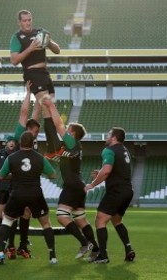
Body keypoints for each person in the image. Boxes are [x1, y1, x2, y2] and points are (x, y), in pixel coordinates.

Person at [42, 95, 99, 260]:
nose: (65, 129)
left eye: (68, 128)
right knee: (81, 219)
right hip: (78, 185)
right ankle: (95, 249)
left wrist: (51, 106)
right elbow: (56, 156)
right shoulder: (70, 148)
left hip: (72, 185)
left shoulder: (73, 143)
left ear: (72, 133)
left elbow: (58, 124)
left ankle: (84, 242)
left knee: (61, 216)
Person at [0, 131, 58, 265]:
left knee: (7, 220)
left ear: (20, 143)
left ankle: (1, 254)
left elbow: (1, 176)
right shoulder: (40, 158)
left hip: (17, 193)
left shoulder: (11, 158)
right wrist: (37, 171)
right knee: (46, 223)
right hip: (35, 193)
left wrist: (15, 175)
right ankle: (52, 256)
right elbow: (53, 176)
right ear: (33, 143)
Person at [9, 9, 64, 159]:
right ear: (19, 22)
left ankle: (51, 149)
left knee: (51, 109)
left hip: (45, 74)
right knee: (47, 105)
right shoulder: (16, 37)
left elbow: (57, 50)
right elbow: (14, 60)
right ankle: (56, 147)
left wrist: (49, 42)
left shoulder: (40, 32)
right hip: (32, 74)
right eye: (24, 20)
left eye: (29, 20)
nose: (27, 23)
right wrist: (30, 48)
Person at [84, 127, 136, 264]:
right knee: (117, 220)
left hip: (116, 191)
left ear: (114, 138)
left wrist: (92, 184)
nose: (106, 137)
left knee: (100, 220)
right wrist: (101, 173)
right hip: (127, 191)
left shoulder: (109, 150)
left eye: (108, 135)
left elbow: (107, 170)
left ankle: (103, 255)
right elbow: (114, 170)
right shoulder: (125, 150)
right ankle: (128, 249)